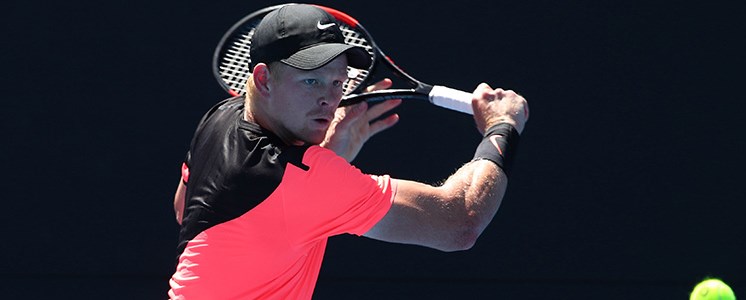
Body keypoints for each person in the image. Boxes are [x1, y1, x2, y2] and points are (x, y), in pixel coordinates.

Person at [169, 4, 529, 299]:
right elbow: (460, 222)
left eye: (338, 81)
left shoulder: (219, 117)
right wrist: (501, 127)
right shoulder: (302, 176)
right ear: (263, 79)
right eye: (311, 80)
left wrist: (329, 157)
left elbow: (185, 209)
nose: (330, 98)